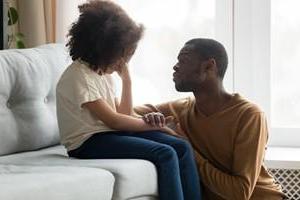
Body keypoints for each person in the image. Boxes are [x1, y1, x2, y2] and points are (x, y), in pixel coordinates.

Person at [55, 1, 202, 200]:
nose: (124, 63)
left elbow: (123, 114)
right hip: (87, 143)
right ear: (104, 49)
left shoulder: (101, 74)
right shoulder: (79, 77)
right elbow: (114, 121)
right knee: (165, 153)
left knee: (182, 147)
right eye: (122, 56)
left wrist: (127, 81)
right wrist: (152, 126)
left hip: (108, 135)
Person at [135, 38, 285, 200]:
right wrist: (149, 118)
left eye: (183, 60)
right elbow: (121, 113)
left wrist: (187, 147)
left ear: (209, 66)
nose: (175, 66)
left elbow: (239, 193)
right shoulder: (179, 109)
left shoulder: (249, 115)